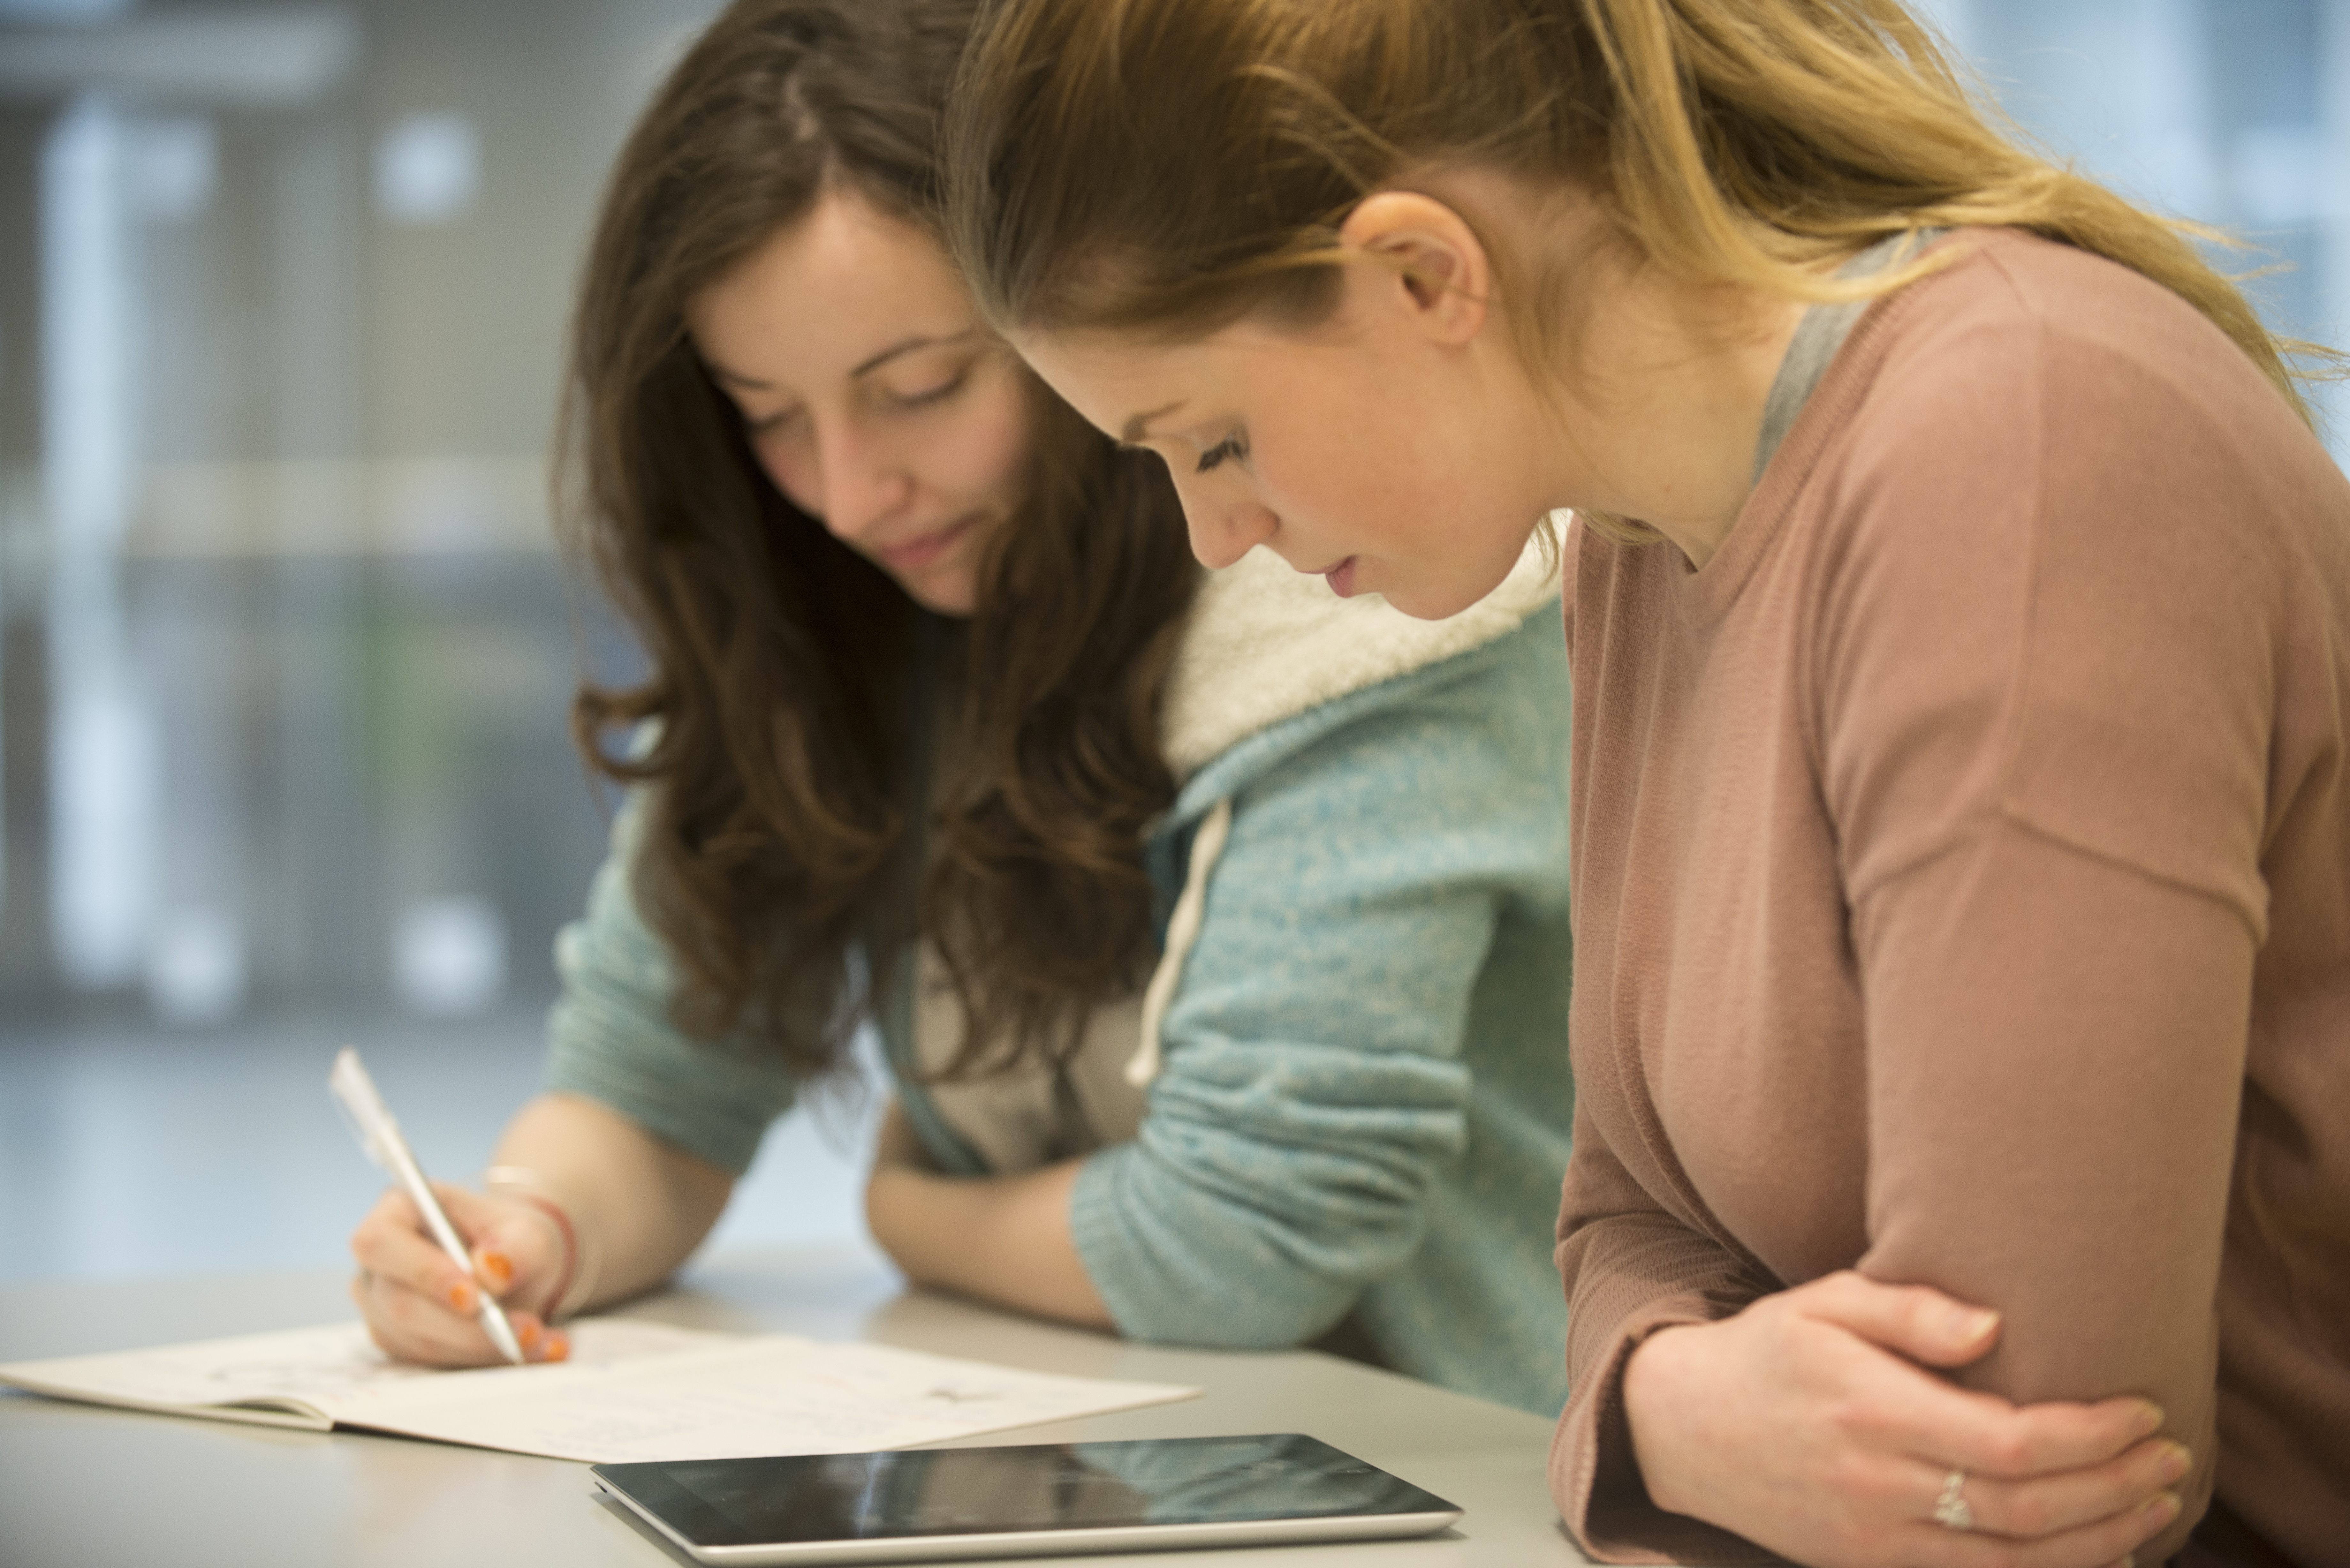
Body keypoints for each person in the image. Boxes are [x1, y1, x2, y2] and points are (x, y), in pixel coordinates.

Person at [942, 0, 2350, 1564]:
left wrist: (1638, 1414)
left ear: (1421, 274)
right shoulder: (1630, 537)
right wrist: (1668, 1408)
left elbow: (2033, 1471)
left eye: (1210, 442)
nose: (1216, 539)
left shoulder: (2019, 437)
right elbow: (1624, 1218)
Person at [345, 0, 1581, 1419]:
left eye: (920, 390)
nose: (852, 494)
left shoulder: (1374, 590)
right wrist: (526, 1231)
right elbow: (649, 1094)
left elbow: (1244, 1243)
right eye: (766, 414)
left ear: (1086, 323)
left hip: (1461, 1469)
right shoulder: (840, 614)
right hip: (1095, 1449)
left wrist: (909, 1215)